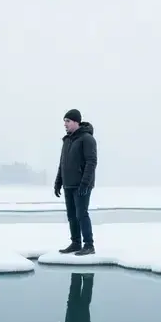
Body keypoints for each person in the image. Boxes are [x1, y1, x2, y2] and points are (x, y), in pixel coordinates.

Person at [53, 109, 97, 255]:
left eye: (68, 121)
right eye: (64, 121)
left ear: (76, 122)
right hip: (68, 184)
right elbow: (62, 163)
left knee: (81, 214)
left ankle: (89, 245)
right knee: (71, 215)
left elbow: (91, 162)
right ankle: (76, 243)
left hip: (81, 185)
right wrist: (58, 182)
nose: (65, 124)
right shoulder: (67, 140)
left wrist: (85, 183)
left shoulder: (87, 139)